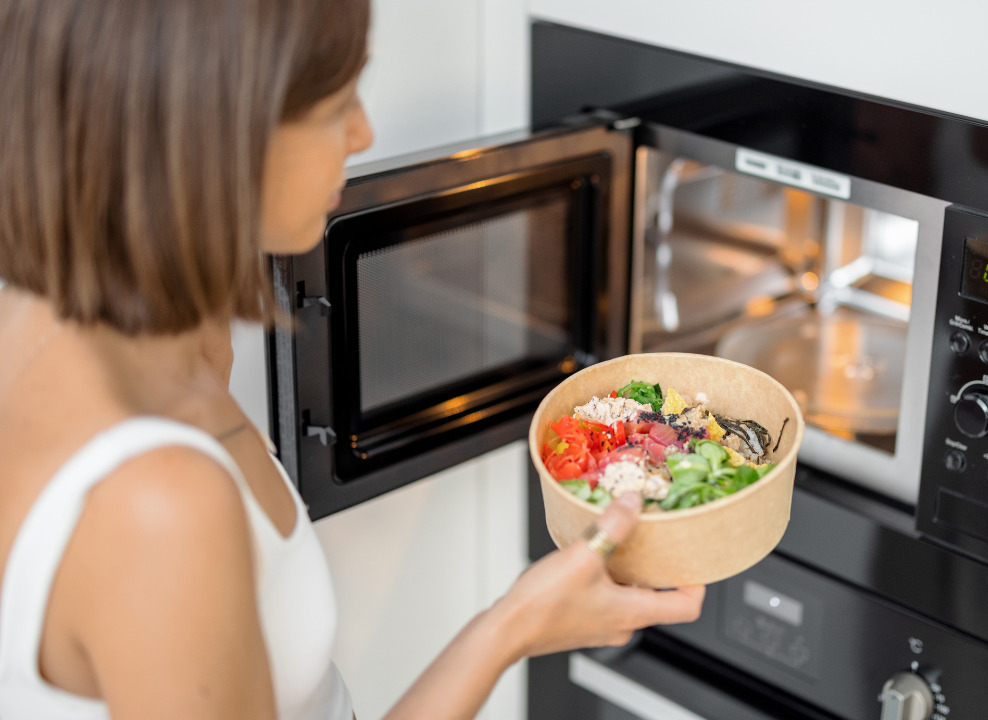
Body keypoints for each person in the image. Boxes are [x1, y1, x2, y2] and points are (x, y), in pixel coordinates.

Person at [0, 1, 704, 718]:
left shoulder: (62, 323)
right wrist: (513, 627)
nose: (363, 135)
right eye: (336, 105)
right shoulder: (159, 503)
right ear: (211, 137)